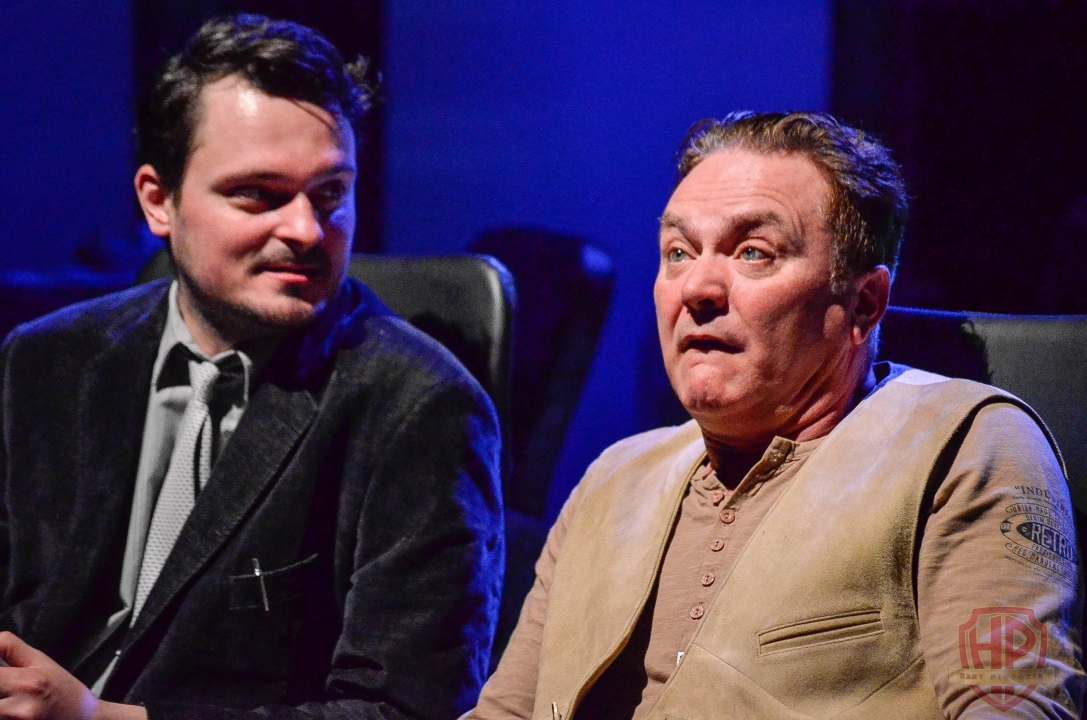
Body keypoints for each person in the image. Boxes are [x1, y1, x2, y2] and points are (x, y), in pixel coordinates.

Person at [469, 112, 1084, 719]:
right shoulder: (613, 478)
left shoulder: (964, 444)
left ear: (863, 303)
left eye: (753, 253)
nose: (697, 288)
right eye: (679, 252)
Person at [0, 14, 503, 720]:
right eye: (258, 194)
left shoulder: (422, 407)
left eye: (330, 193)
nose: (306, 230)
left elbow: (402, 711)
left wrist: (100, 718)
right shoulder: (47, 359)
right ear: (158, 201)